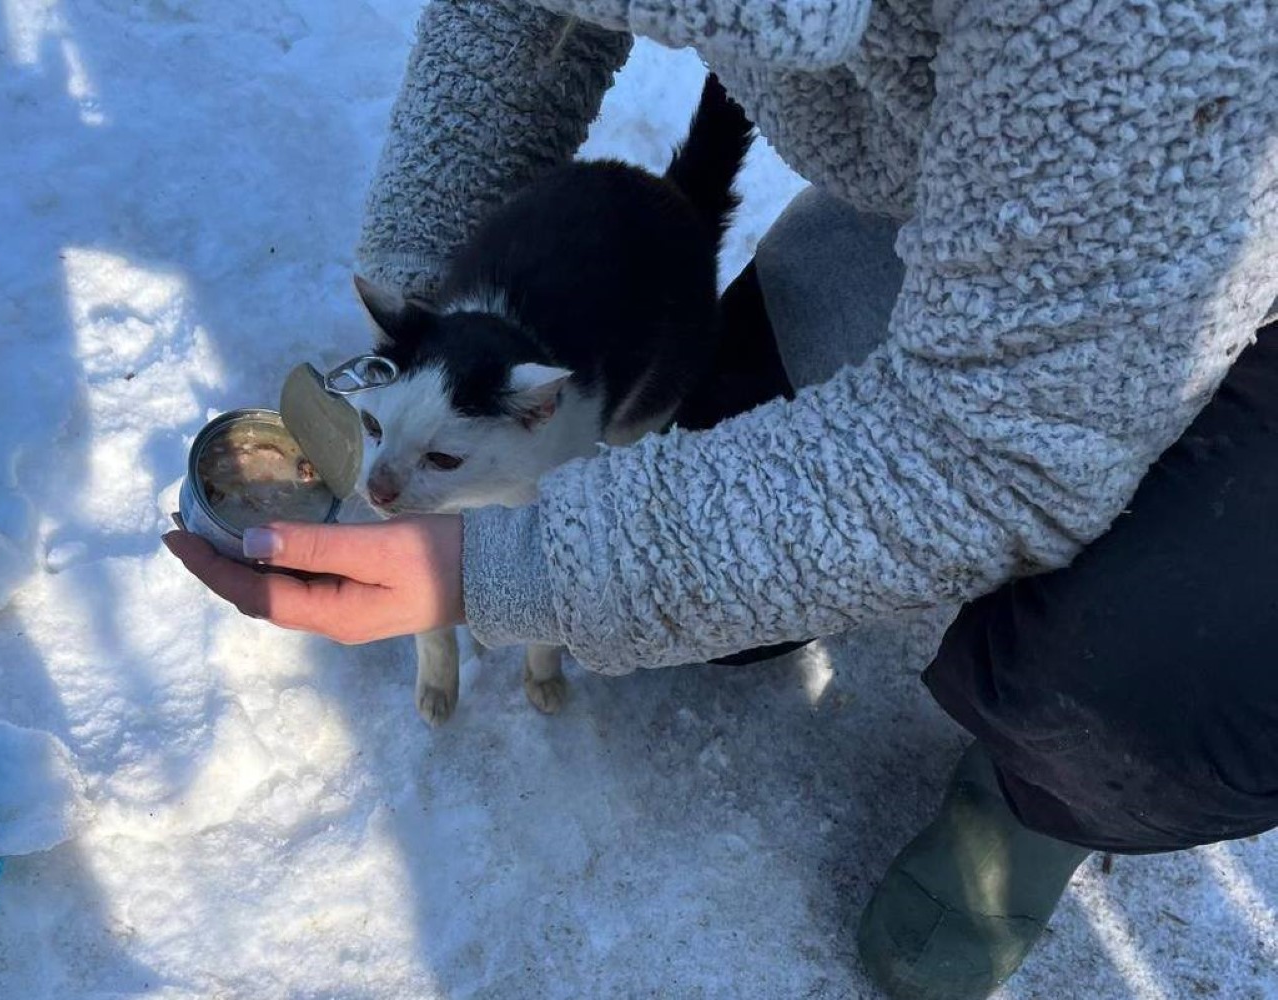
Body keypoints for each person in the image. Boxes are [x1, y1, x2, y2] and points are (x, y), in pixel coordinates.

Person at [162, 2, 1278, 996]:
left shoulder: (1146, 23)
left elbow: (990, 453)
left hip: (1201, 200)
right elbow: (513, 20)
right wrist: (421, 283)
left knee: (1131, 686)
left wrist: (511, 569)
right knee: (706, 534)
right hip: (979, 191)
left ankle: (1052, 795)